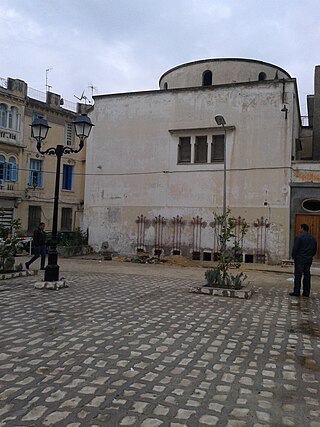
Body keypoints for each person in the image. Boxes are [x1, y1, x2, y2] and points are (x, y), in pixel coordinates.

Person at [290, 223, 317, 297]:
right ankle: (306, 292)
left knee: (298, 275)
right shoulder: (313, 238)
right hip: (308, 259)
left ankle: (296, 291)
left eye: (300, 228)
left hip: (300, 259)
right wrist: (310, 255)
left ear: (302, 228)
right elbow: (314, 250)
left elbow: (295, 248)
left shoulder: (299, 237)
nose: (299, 230)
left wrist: (294, 256)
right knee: (307, 275)